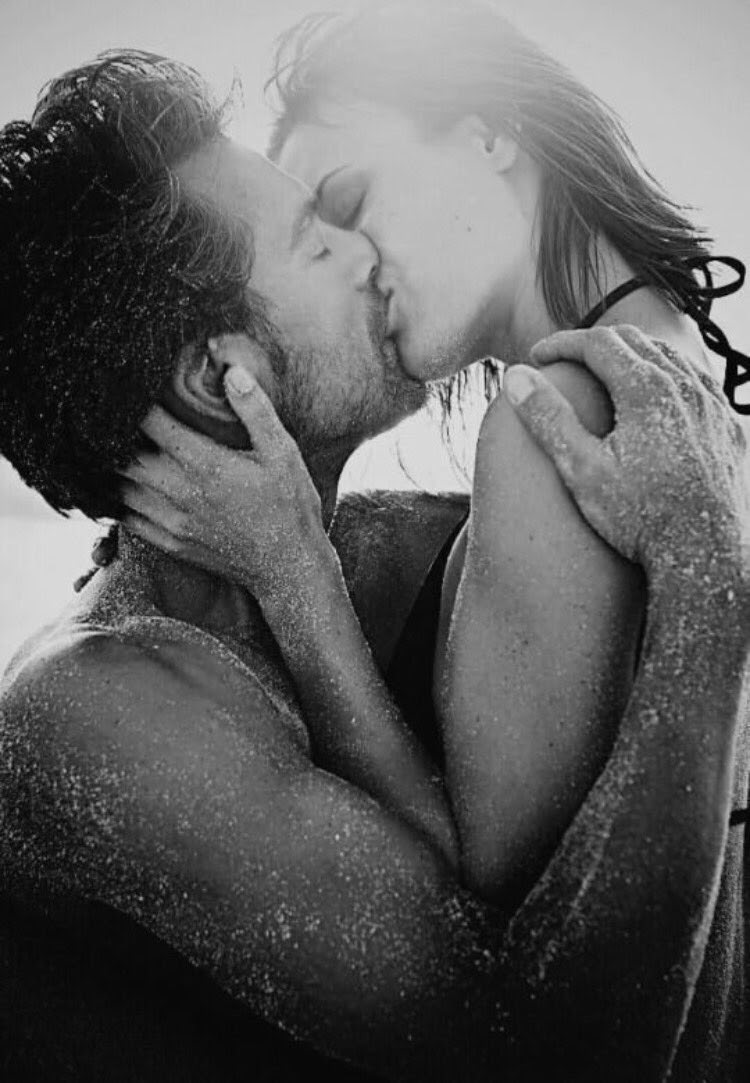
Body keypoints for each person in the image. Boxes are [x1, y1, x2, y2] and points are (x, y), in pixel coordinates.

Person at [0, 50, 746, 1083]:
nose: (370, 254)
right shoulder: (92, 716)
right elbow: (530, 1057)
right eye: (320, 237)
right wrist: (713, 576)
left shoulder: (390, 554)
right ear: (223, 378)